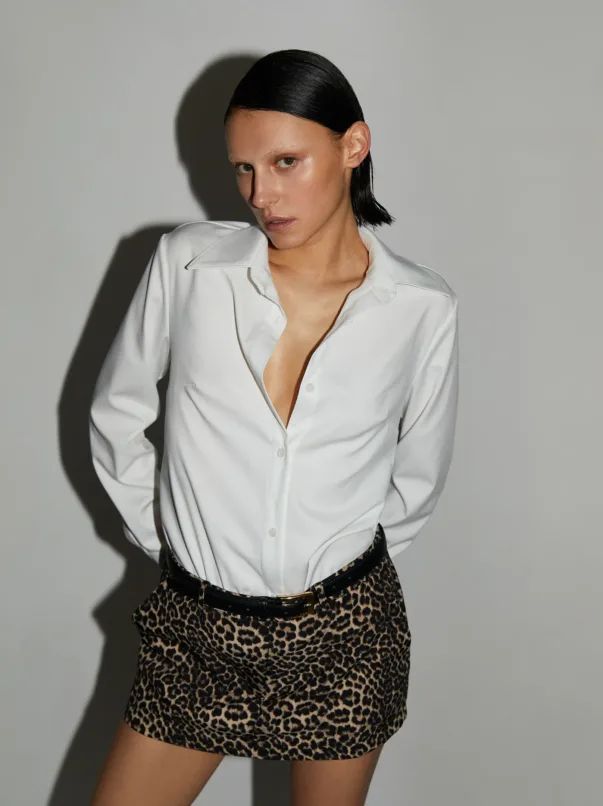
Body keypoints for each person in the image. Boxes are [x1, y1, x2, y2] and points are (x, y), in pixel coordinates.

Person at [88, 48, 459, 806]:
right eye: (245, 169)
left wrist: (330, 573)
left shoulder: (422, 308)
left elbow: (416, 482)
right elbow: (117, 412)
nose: (262, 194)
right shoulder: (189, 267)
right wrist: (174, 543)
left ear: (353, 146)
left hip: (345, 641)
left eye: (286, 161)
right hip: (197, 634)